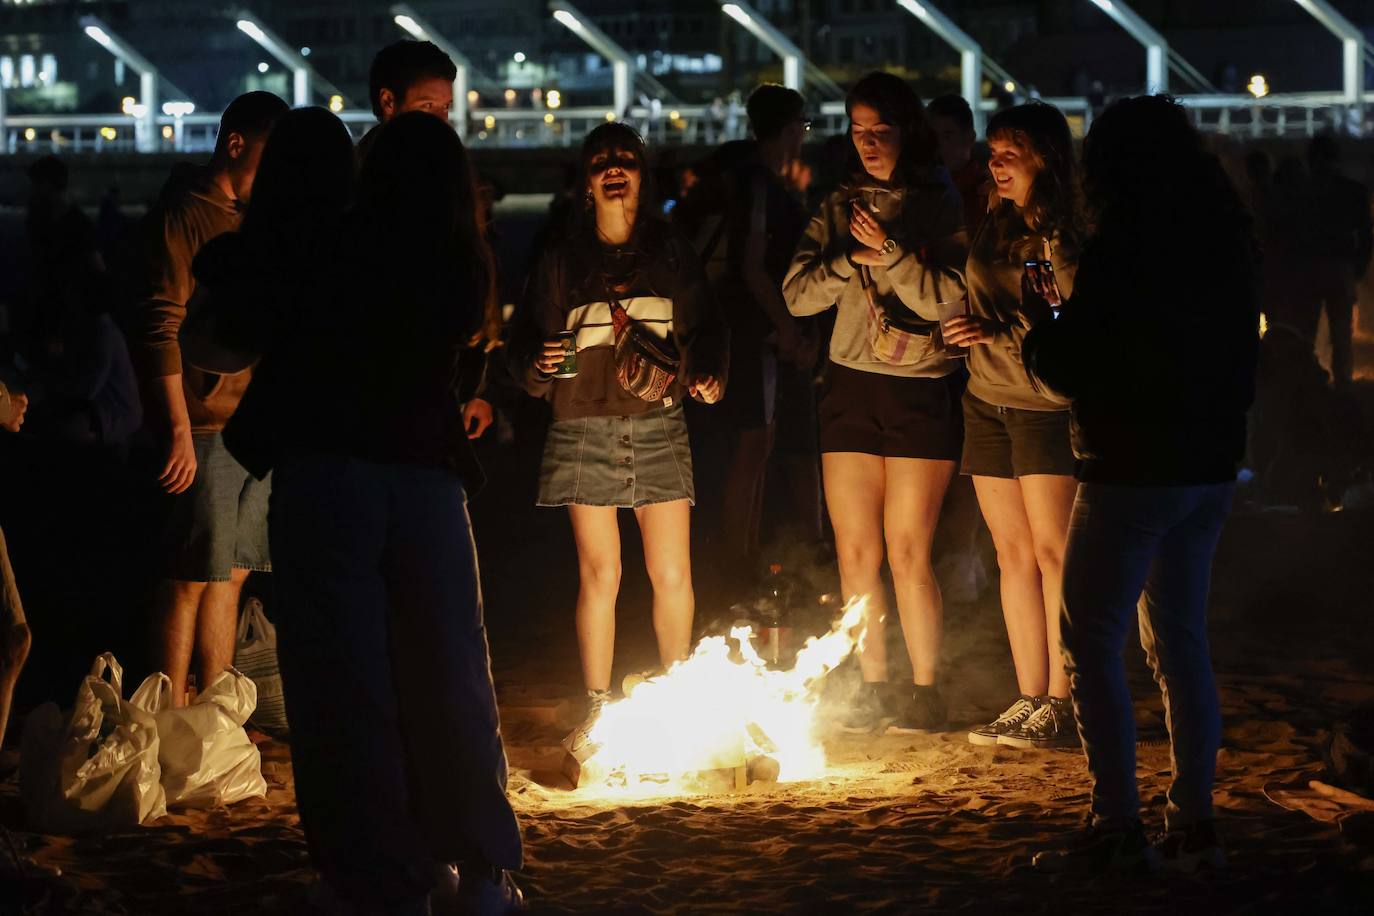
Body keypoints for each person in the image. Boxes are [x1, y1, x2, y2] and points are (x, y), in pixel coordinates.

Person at [222, 111, 523, 912]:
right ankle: (481, 870)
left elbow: (230, 326)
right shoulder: (460, 261)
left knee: (344, 685)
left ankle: (382, 875)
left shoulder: (332, 246)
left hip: (331, 477)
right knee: (451, 676)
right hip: (428, 482)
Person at [1023, 95, 1259, 873]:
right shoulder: (1226, 240)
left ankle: (1115, 823)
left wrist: (1043, 330)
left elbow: (1076, 366)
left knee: (1091, 640)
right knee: (1181, 640)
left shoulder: (1124, 247)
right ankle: (1194, 818)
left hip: (1131, 467)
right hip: (1208, 465)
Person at [513, 122, 728, 756]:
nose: (615, 169)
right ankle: (599, 707)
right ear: (585, 181)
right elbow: (526, 344)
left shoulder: (669, 251)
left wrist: (709, 372)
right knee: (600, 573)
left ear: (642, 173)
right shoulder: (560, 258)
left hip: (660, 422)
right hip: (582, 425)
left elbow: (706, 325)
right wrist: (538, 363)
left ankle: (684, 695)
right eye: (602, 160)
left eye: (626, 160)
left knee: (671, 571)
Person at [783, 71, 968, 734]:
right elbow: (797, 296)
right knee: (857, 550)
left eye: (879, 129)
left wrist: (888, 254)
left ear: (905, 130)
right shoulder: (836, 205)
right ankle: (873, 685)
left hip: (920, 383)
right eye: (858, 130)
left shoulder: (938, 201)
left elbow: (945, 299)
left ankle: (925, 689)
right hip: (849, 386)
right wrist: (844, 261)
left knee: (908, 548)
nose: (867, 142)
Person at [130, 90, 287, 707]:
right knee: (191, 574)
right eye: (267, 160)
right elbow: (159, 324)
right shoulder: (184, 214)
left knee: (234, 571)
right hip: (201, 424)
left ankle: (218, 712)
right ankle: (167, 716)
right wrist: (175, 428)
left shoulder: (246, 218)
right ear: (236, 144)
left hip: (251, 421)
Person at [942, 102, 1085, 750]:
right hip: (986, 398)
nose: (995, 163)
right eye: (992, 152)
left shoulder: (1065, 232)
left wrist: (1005, 327)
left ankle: (1065, 695)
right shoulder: (993, 224)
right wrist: (961, 330)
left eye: (1009, 153)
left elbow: (1079, 322)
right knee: (1011, 555)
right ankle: (1029, 694)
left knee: (1055, 553)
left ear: (1044, 158)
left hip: (1043, 404)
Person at [362, 38, 496, 443]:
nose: (441, 121)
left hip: (437, 398)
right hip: (370, 400)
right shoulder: (354, 183)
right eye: (427, 107)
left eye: (444, 109)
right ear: (388, 102)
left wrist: (476, 388)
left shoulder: (451, 185)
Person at [712, 84, 814, 580]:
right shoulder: (759, 183)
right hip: (753, 334)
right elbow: (752, 266)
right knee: (754, 443)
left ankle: (742, 553)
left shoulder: (751, 178)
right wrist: (787, 327)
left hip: (753, 330)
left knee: (760, 442)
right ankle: (737, 558)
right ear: (791, 126)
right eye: (804, 126)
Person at [1304, 135, 1372, 389]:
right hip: (1341, 267)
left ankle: (1307, 381)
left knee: (1306, 330)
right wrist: (1357, 269)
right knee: (1341, 333)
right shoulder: (1353, 191)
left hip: (1309, 268)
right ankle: (1343, 386)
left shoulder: (1304, 191)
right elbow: (1365, 235)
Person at [927, 94, 988, 237]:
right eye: (931, 136)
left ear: (969, 138)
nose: (937, 144)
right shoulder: (917, 188)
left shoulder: (988, 194)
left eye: (947, 136)